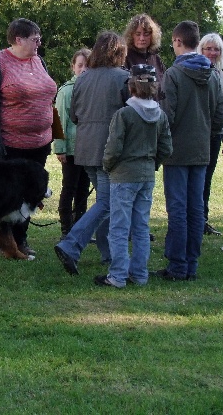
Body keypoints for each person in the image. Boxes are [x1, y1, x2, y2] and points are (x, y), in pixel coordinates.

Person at [0, 18, 57, 257]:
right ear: (19, 39)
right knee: (4, 197)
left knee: (30, 194)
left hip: (39, 144)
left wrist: (52, 131)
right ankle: (0, 242)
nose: (39, 43)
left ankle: (21, 239)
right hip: (7, 146)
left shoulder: (39, 62)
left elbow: (48, 99)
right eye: (35, 39)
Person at [154, 21, 223, 281]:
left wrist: (160, 143)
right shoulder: (213, 74)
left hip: (177, 149)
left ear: (176, 41)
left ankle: (177, 265)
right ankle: (191, 264)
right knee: (196, 208)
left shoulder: (174, 74)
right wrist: (211, 133)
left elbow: (168, 115)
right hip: (202, 149)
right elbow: (220, 114)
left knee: (178, 209)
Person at [53, 32, 130, 276]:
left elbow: (74, 116)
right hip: (110, 150)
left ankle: (108, 254)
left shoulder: (82, 80)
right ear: (119, 52)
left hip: (85, 150)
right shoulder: (123, 79)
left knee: (106, 202)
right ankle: (71, 244)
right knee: (108, 202)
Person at [94, 65, 173, 287]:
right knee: (141, 227)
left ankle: (118, 275)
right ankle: (139, 274)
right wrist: (153, 164)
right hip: (146, 175)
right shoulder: (160, 115)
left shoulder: (124, 114)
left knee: (119, 227)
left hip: (123, 175)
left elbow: (113, 147)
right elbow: (166, 148)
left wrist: (108, 166)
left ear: (131, 86)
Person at [53, 48, 92, 239]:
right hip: (70, 149)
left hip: (88, 150)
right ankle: (66, 230)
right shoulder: (66, 91)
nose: (84, 69)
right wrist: (60, 148)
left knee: (83, 190)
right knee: (69, 188)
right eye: (80, 65)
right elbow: (58, 120)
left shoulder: (93, 90)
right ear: (73, 67)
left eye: (88, 65)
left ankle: (80, 228)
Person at [198, 32, 223, 237]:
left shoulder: (220, 74)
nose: (212, 52)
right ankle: (196, 219)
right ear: (200, 50)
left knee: (207, 178)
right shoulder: (197, 71)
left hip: (215, 133)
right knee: (198, 178)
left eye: (216, 49)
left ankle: (203, 219)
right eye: (208, 48)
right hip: (199, 132)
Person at [123, 13, 166, 96]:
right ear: (131, 35)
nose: (142, 38)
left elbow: (163, 87)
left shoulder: (156, 59)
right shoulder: (125, 57)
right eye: (138, 34)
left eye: (146, 34)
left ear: (152, 35)